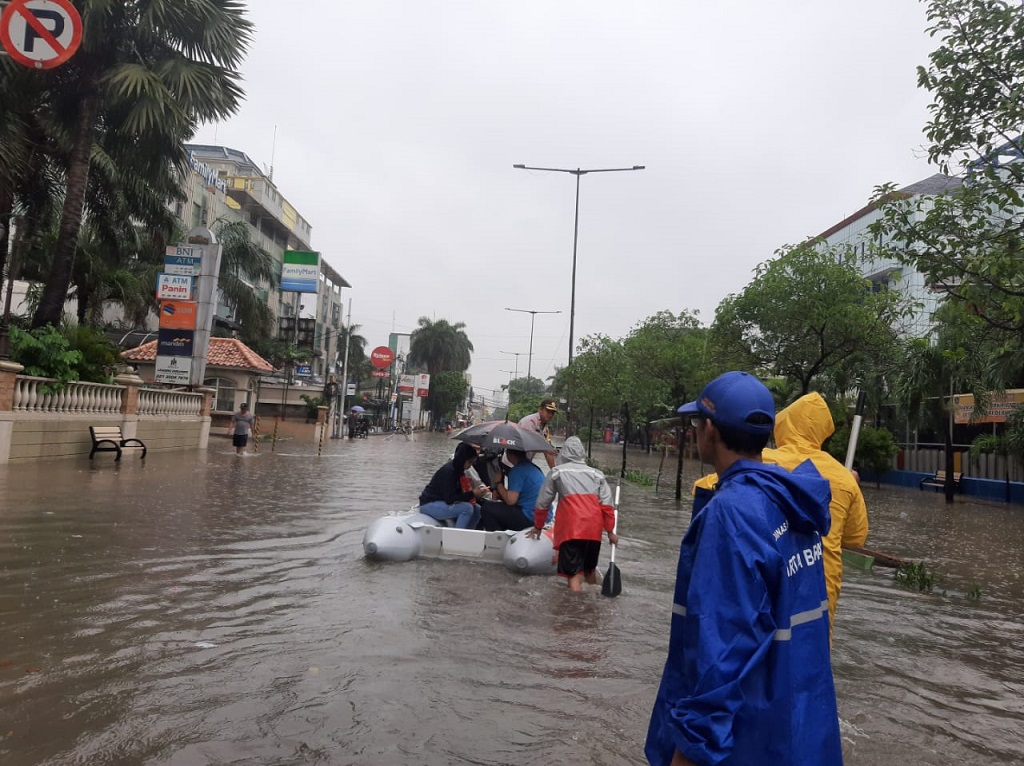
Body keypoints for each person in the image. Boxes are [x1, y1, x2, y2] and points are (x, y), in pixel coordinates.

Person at [646, 371, 842, 766]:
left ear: (711, 432)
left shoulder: (733, 514)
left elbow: (721, 647)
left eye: (698, 422)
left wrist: (689, 751)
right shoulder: (793, 503)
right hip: (802, 731)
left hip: (749, 740)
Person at [693, 392, 869, 638]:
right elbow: (855, 539)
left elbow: (702, 490)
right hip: (816, 605)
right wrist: (850, 485)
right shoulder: (843, 478)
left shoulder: (760, 460)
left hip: (762, 598)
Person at [525, 436, 618, 591]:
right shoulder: (597, 474)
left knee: (574, 575)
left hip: (571, 529)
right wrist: (610, 532)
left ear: (564, 453)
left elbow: (543, 503)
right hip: (594, 530)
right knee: (589, 571)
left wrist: (538, 526)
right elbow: (607, 506)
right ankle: (592, 606)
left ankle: (575, 611)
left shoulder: (557, 473)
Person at [418, 442, 489, 529]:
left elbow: (458, 494)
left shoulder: (459, 471)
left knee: (477, 509)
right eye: (469, 462)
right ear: (463, 460)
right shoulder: (449, 471)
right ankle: (456, 537)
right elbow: (450, 498)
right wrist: (473, 493)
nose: (470, 466)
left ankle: (468, 532)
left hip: (443, 501)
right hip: (429, 503)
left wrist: (477, 493)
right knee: (467, 508)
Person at [478, 449, 546, 531]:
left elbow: (510, 501)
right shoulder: (534, 468)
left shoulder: (517, 471)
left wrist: (498, 483)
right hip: (543, 515)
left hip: (529, 516)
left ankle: (496, 540)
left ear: (510, 455)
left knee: (487, 508)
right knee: (499, 508)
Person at [518, 398, 559, 469]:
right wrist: (545, 449)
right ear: (540, 409)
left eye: (552, 413)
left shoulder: (545, 429)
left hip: (525, 463)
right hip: (512, 462)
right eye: (548, 411)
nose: (550, 415)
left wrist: (554, 472)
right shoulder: (530, 422)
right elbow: (527, 444)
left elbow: (548, 452)